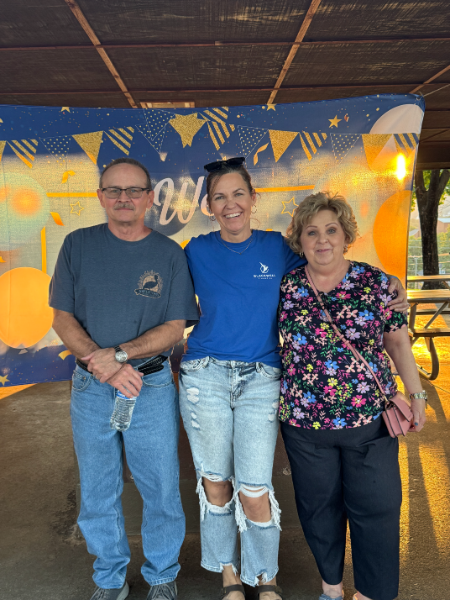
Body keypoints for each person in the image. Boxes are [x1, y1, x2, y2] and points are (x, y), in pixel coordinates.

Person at [178, 158, 408, 600]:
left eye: (238, 194)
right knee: (215, 481)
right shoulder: (195, 251)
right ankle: (228, 577)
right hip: (204, 374)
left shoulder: (277, 250)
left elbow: (332, 263)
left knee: (253, 486)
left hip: (262, 376)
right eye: (220, 197)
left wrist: (391, 283)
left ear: (253, 199)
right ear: (209, 205)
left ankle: (265, 578)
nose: (230, 204)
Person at [49, 157, 199, 600]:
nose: (124, 199)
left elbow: (175, 328)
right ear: (99, 196)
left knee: (160, 487)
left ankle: (161, 575)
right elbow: (62, 318)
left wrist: (117, 356)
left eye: (134, 191)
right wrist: (108, 368)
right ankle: (110, 578)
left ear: (150, 198)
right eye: (113, 190)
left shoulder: (168, 254)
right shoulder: (77, 245)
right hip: (91, 388)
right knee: (98, 489)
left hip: (150, 386)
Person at [278, 191, 427, 600]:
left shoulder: (378, 283)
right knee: (317, 510)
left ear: (346, 236)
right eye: (312, 232)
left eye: (331, 230)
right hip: (304, 425)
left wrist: (417, 396)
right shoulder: (287, 285)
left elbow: (398, 345)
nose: (322, 239)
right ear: (300, 240)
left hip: (370, 422)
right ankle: (332, 587)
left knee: (377, 509)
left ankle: (370, 593)